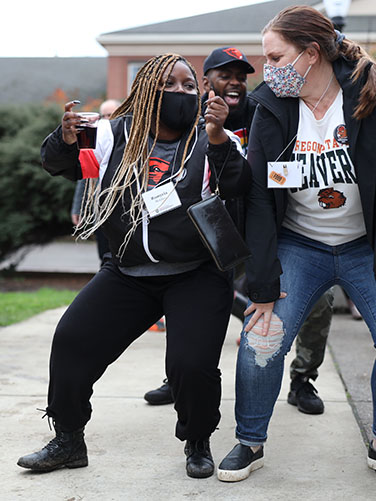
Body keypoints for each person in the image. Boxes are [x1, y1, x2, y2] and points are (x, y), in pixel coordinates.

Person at [216, 6, 376, 485]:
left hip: (365, 246)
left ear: (310, 53)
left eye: (275, 55)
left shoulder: (373, 96)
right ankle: (249, 441)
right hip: (300, 244)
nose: (267, 66)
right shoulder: (271, 105)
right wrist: (262, 284)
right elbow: (257, 196)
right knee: (262, 335)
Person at [17, 53, 251, 479]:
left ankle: (197, 441)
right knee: (72, 341)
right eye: (170, 85)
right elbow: (60, 165)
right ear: (146, 90)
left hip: (195, 272)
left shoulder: (213, 137)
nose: (181, 92)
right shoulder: (111, 135)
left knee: (191, 365)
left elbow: (237, 184)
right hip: (126, 273)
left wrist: (217, 136)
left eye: (188, 86)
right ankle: (69, 440)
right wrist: (64, 139)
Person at [144, 46, 333, 416]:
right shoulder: (186, 116)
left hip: (265, 227)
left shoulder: (265, 113)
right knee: (193, 306)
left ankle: (303, 378)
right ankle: (180, 379)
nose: (233, 83)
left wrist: (267, 175)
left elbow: (293, 170)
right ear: (205, 81)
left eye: (240, 76)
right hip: (210, 231)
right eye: (224, 75)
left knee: (320, 302)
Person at [70, 99, 121, 261]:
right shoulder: (93, 140)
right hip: (100, 211)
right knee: (104, 257)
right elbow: (85, 176)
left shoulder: (127, 138)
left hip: (122, 211)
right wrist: (77, 208)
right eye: (103, 116)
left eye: (111, 115)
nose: (107, 119)